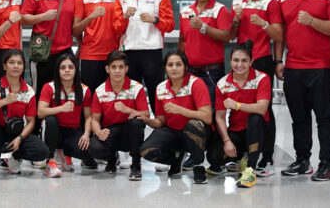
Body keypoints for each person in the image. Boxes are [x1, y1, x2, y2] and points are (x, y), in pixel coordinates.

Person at [278, 0, 330, 181]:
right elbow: (282, 33)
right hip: (294, 66)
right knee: (299, 118)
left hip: (321, 66)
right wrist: (279, 60)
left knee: (325, 118)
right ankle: (302, 160)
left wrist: (312, 21)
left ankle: (327, 163)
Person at [229, 0, 284, 177]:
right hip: (240, 62)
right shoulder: (237, 2)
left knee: (264, 111)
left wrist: (263, 23)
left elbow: (279, 35)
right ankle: (245, 154)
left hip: (261, 61)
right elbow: (233, 35)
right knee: (241, 109)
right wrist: (235, 20)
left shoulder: (270, 3)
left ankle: (267, 158)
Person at [177, 0, 231, 172]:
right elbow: (183, 40)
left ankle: (216, 159)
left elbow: (226, 36)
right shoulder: (186, 11)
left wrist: (203, 27)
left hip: (212, 72)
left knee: (214, 115)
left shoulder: (219, 10)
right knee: (194, 116)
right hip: (190, 72)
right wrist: (180, 68)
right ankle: (194, 154)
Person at [113, 0, 175, 114]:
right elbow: (116, 29)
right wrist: (125, 17)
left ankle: (160, 130)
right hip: (129, 53)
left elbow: (169, 25)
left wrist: (155, 20)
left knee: (156, 95)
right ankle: (134, 133)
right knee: (131, 96)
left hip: (152, 53)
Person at [139, 50, 212, 184]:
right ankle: (176, 158)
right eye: (170, 65)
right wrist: (148, 120)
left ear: (185, 67)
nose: (174, 68)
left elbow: (207, 117)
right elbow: (161, 121)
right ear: (165, 68)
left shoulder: (196, 83)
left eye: (178, 64)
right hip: (173, 131)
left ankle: (198, 166)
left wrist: (180, 110)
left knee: (192, 125)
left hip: (198, 132)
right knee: (145, 150)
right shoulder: (161, 88)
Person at [0, 49, 49, 181]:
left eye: (19, 63)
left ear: (23, 67)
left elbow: (31, 121)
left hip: (14, 134)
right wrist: (4, 101)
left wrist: (20, 138)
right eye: (11, 62)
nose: (16, 66)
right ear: (4, 66)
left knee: (42, 151)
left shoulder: (29, 91)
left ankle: (14, 157)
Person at [208, 40, 272, 188]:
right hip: (237, 132)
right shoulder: (223, 84)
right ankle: (242, 158)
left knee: (255, 118)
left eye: (244, 60)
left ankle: (250, 171)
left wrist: (237, 105)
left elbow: (262, 108)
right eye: (236, 60)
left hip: (260, 133)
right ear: (230, 61)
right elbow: (220, 116)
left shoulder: (261, 78)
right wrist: (226, 141)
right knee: (214, 157)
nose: (240, 65)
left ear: (251, 62)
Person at [21, 0, 77, 95]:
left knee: (66, 94)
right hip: (42, 52)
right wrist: (42, 17)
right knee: (40, 94)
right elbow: (23, 18)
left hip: (66, 51)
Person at [89, 50, 149, 181]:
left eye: (121, 67)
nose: (117, 71)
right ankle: (112, 158)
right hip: (110, 131)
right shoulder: (99, 91)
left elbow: (146, 114)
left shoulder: (136, 87)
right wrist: (99, 132)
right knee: (94, 148)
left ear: (126, 69)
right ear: (107, 69)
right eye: (113, 67)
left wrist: (128, 110)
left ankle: (136, 164)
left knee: (137, 122)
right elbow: (94, 119)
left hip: (130, 131)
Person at [38, 53, 97, 177]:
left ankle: (65, 153)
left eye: (71, 67)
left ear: (76, 69)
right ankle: (50, 160)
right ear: (58, 70)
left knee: (88, 151)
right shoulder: (49, 87)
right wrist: (60, 108)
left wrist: (86, 134)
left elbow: (88, 116)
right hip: (54, 131)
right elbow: (40, 112)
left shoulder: (84, 89)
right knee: (51, 120)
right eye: (63, 68)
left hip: (73, 131)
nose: (67, 71)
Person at [73, 0, 119, 91]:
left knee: (110, 97)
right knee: (90, 98)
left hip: (113, 56)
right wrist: (90, 17)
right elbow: (75, 30)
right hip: (90, 55)